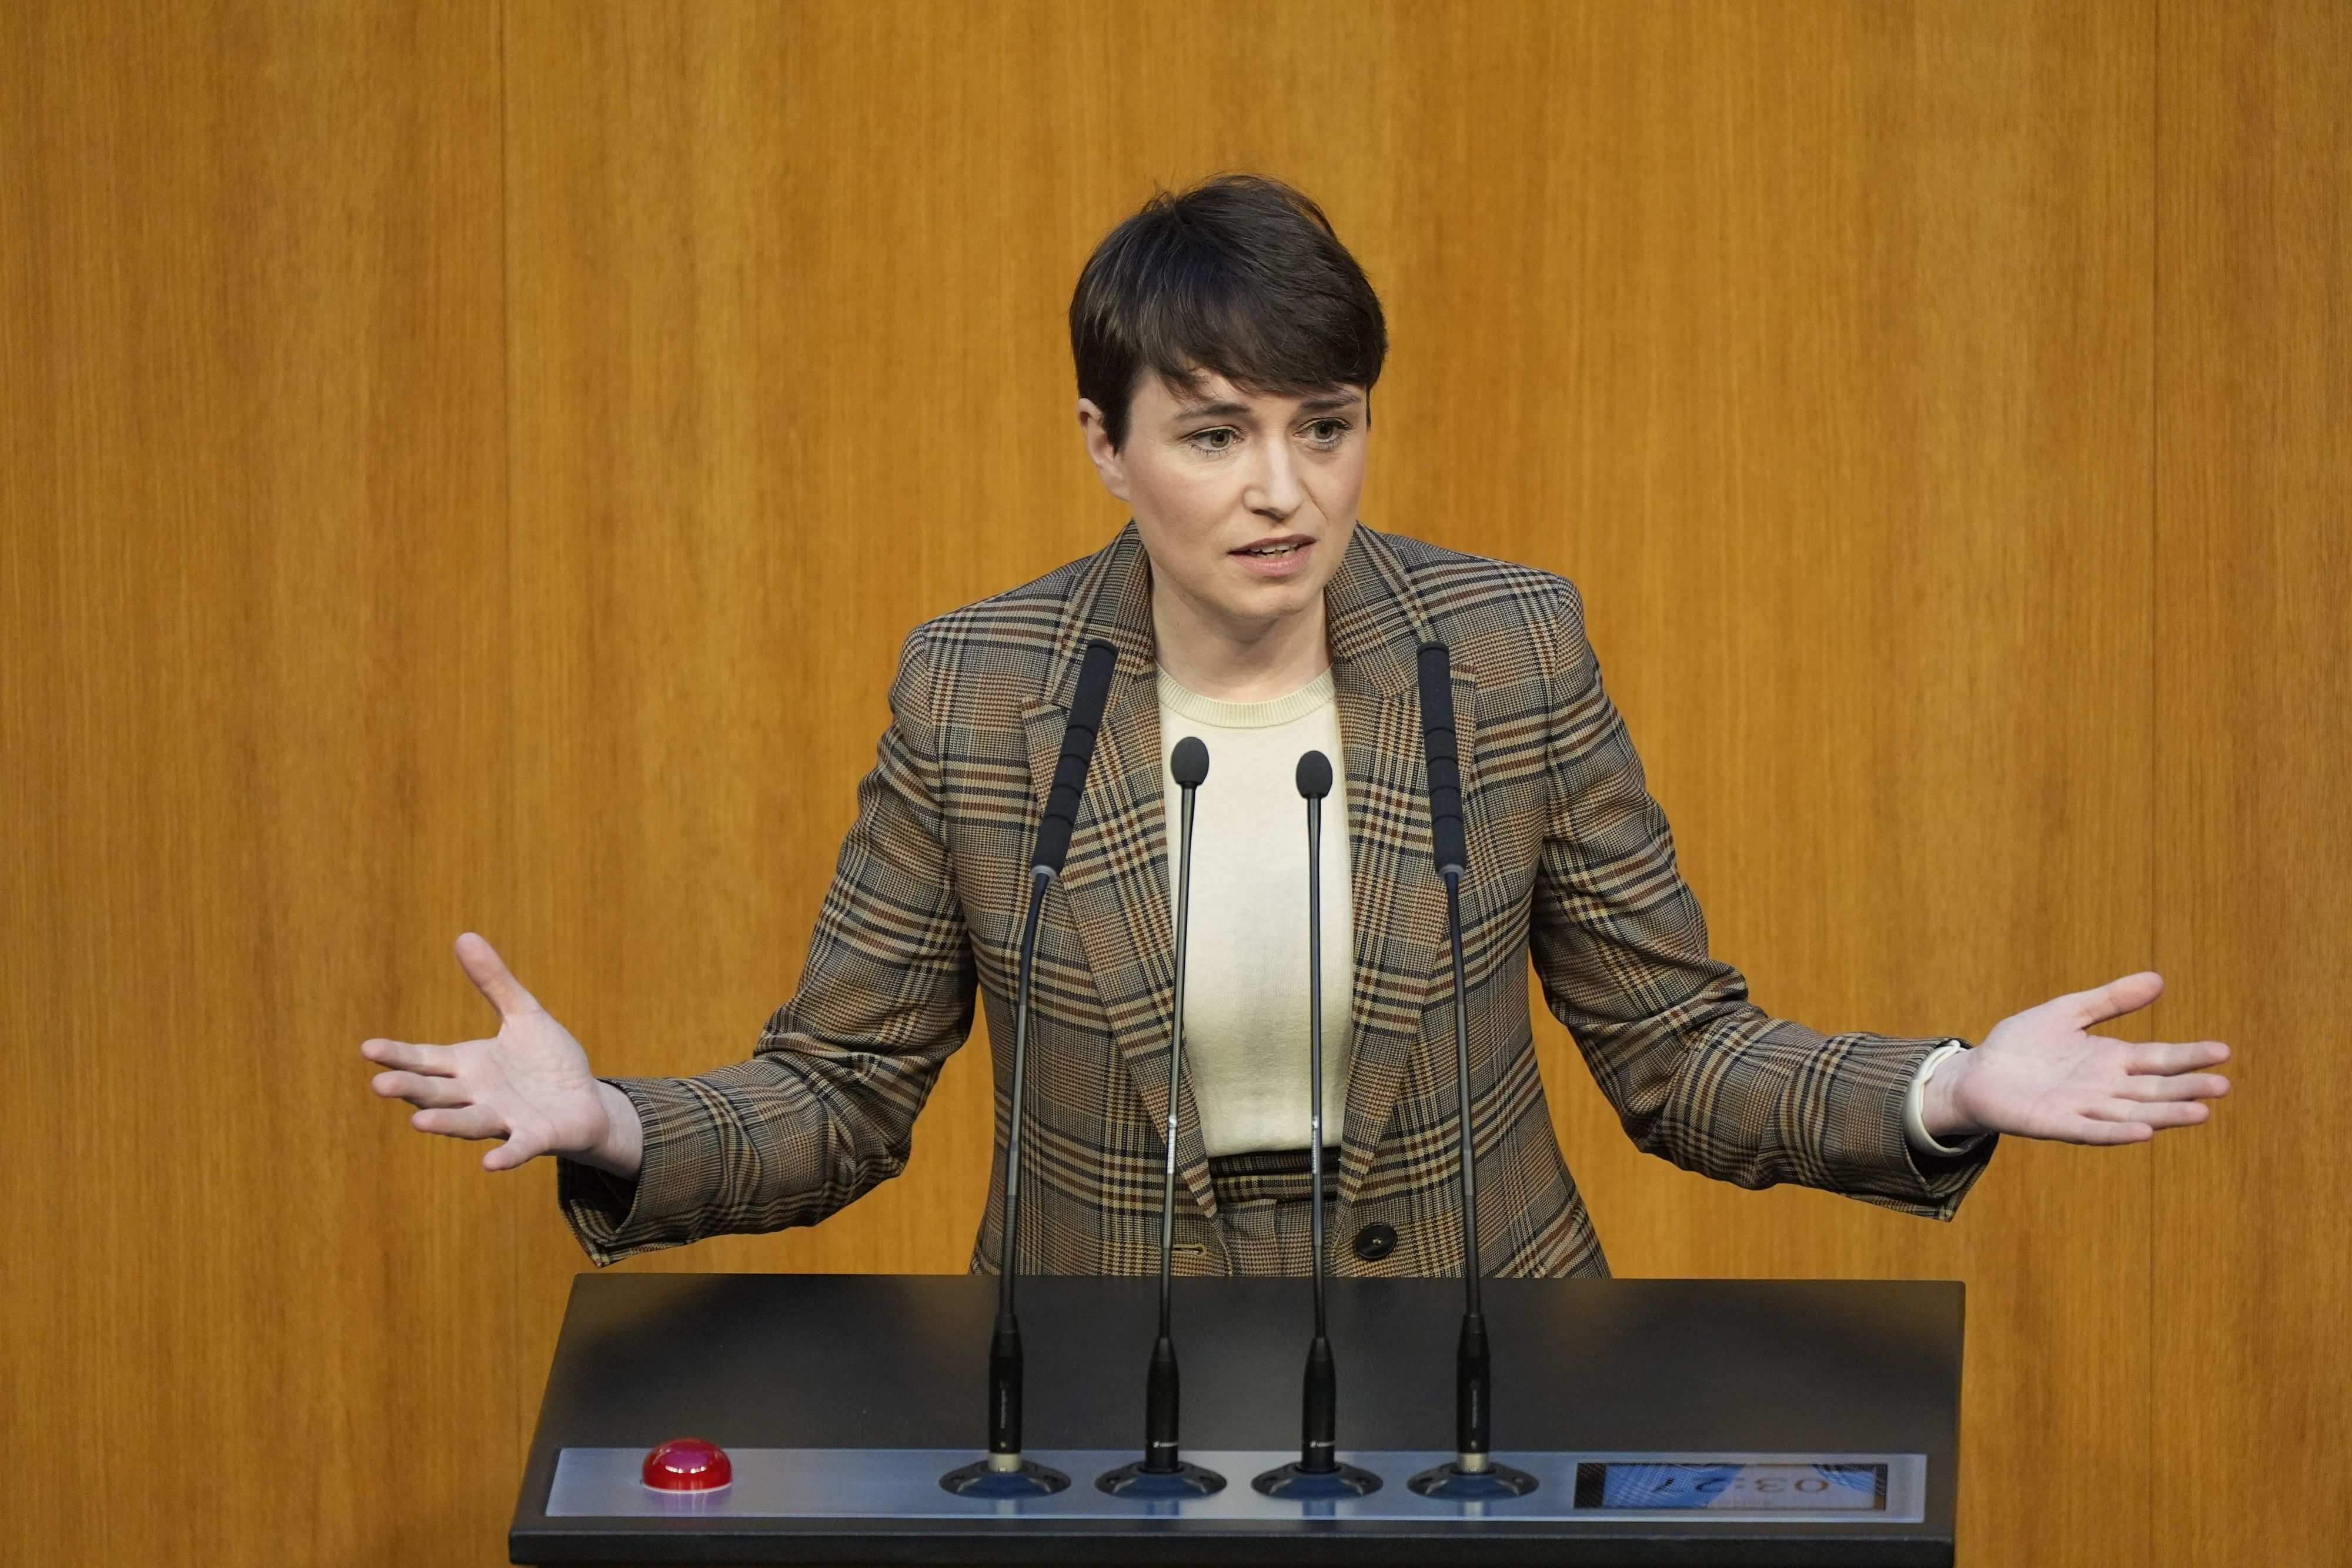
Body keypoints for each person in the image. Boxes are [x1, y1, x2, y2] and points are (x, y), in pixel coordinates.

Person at [362, 175, 2230, 1279]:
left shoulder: (1504, 653)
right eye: (1215, 432)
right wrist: (612, 1122)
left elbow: (1676, 1051)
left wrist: (1948, 1081)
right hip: (1103, 1392)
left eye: (1323, 424)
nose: (1284, 489)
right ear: (1105, 447)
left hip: (1483, 1370)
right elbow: (841, 1098)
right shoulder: (983, 692)